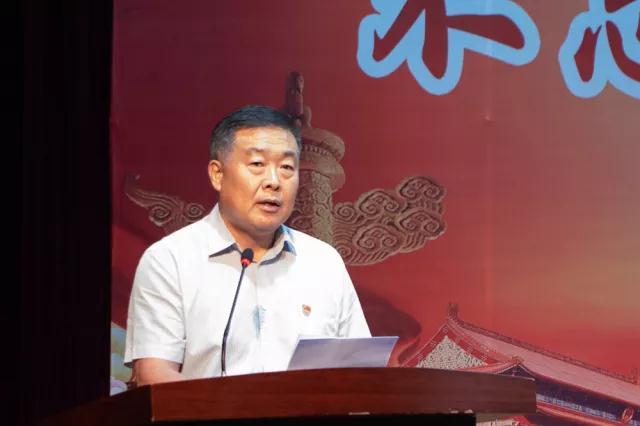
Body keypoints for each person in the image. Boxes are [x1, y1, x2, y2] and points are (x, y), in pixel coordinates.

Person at [124, 105, 370, 385]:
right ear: (217, 174)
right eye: (257, 165)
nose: (274, 182)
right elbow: (154, 375)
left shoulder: (324, 262)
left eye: (287, 167)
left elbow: (362, 370)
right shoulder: (170, 260)